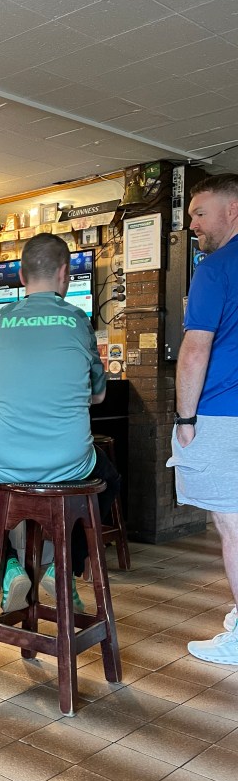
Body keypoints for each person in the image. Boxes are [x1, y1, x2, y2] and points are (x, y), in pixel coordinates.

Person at [0, 233, 120, 612]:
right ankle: (64, 569)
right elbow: (99, 395)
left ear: (21, 276)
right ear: (65, 274)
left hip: (2, 463)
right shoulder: (79, 321)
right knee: (110, 479)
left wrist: (4, 398)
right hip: (69, 463)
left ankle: (6, 569)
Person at [169, 174, 238, 665]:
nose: (192, 225)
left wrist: (185, 418)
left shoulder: (214, 269)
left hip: (221, 413)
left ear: (232, 211)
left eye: (199, 213)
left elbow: (195, 350)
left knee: (232, 524)